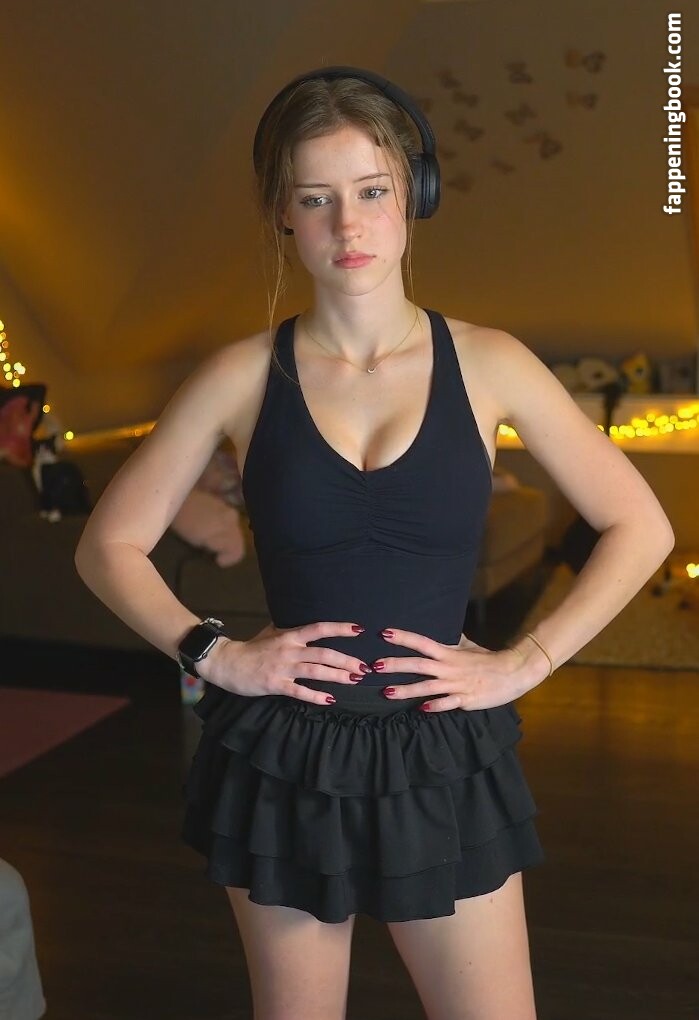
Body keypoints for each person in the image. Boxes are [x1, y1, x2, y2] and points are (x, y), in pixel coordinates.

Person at [75, 67, 675, 1020]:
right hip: (284, 759)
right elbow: (107, 547)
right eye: (315, 198)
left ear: (413, 196)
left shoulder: (491, 362)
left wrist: (526, 662)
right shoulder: (238, 376)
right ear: (283, 213)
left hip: (441, 752)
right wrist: (216, 655)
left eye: (370, 191)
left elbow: (641, 525)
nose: (346, 225)